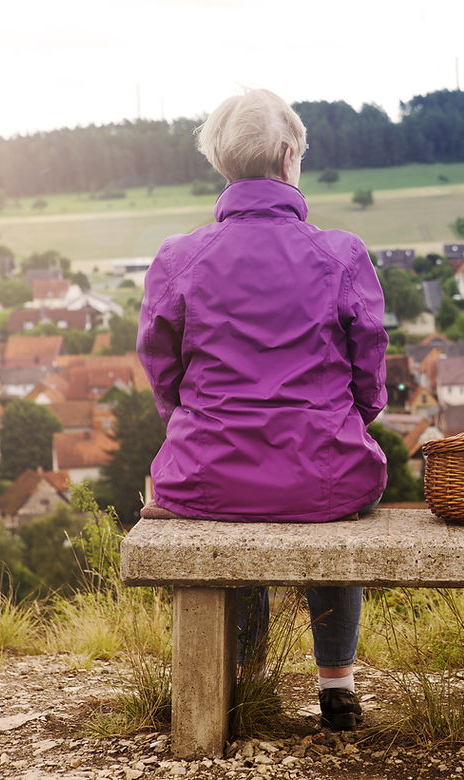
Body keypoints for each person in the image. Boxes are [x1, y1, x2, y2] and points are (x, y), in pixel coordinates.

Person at [136, 88, 388, 731]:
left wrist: (199, 427)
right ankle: (337, 686)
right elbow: (370, 374)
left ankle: (249, 681)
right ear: (286, 155)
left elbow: (162, 369)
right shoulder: (341, 252)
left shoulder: (177, 257)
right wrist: (348, 419)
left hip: (207, 469)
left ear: (223, 162)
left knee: (232, 502)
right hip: (324, 468)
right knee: (327, 513)